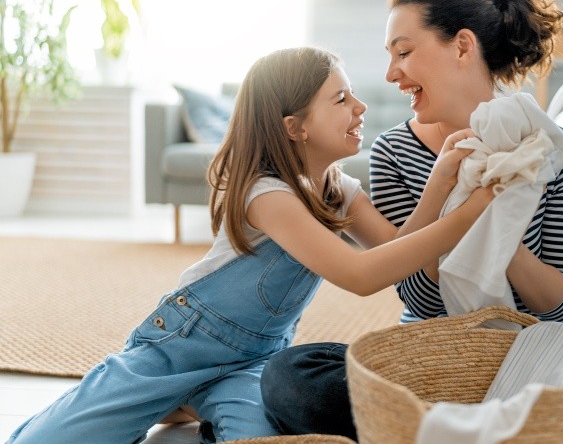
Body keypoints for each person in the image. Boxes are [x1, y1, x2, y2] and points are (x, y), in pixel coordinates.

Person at [260, 0, 563, 443]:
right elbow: (421, 299)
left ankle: (447, 432)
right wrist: (451, 199)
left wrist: (499, 230)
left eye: (403, 52)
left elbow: (561, 307)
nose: (390, 74)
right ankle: (503, 433)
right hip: (430, 362)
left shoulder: (554, 149)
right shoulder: (395, 151)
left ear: (462, 47)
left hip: (526, 355)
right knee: (289, 375)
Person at [6, 47, 493, 444]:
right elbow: (361, 276)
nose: (360, 108)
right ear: (294, 126)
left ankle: (189, 401)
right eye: (341, 98)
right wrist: (470, 213)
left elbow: (398, 250)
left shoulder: (337, 187)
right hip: (182, 345)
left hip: (255, 359)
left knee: (256, 440)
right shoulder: (267, 195)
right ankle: (168, 392)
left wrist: (440, 183)